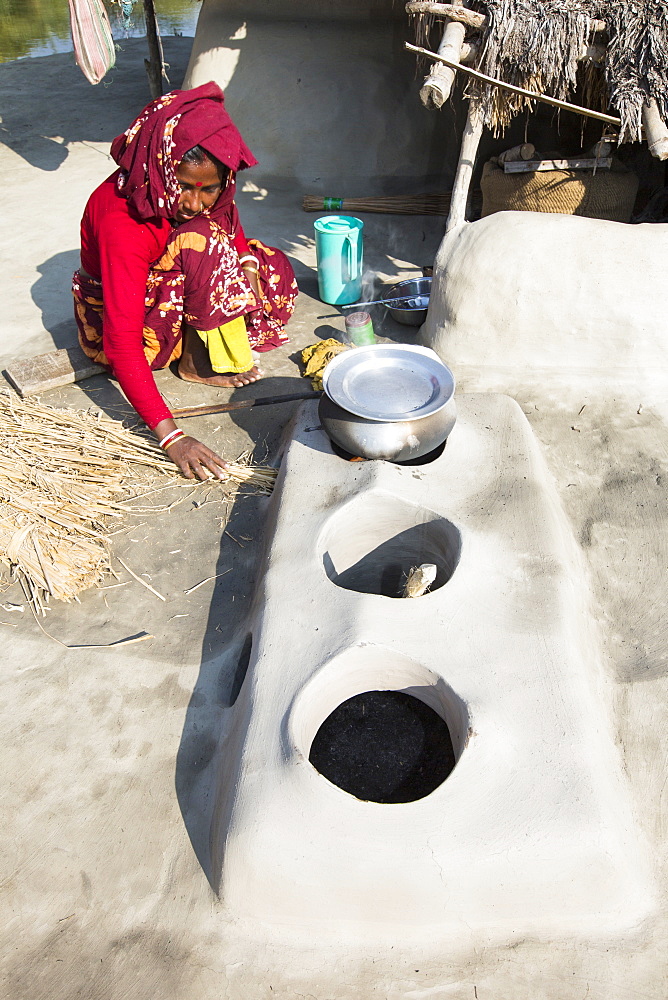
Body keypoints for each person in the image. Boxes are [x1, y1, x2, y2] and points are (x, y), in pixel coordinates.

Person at [73, 82, 298, 480]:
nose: (195, 202)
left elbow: (228, 216)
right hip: (128, 328)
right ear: (160, 169)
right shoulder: (121, 222)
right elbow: (120, 343)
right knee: (202, 241)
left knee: (270, 265)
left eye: (209, 188)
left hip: (167, 282)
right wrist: (171, 436)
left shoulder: (199, 190)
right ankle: (193, 363)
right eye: (184, 188)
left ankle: (204, 322)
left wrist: (243, 265)